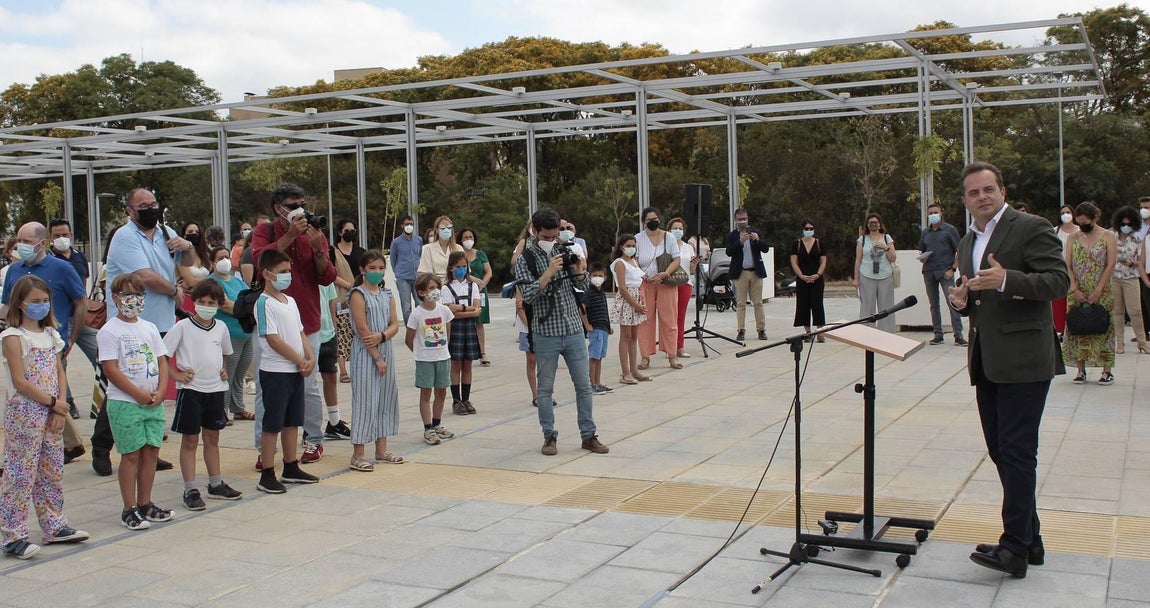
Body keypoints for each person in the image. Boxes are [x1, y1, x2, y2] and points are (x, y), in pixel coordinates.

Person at [948, 161, 1069, 578]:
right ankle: (1029, 541)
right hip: (987, 360)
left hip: (1025, 360)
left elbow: (1057, 282)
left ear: (1001, 190)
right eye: (973, 193)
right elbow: (972, 295)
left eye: (988, 189)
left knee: (1018, 453)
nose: (982, 197)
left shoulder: (1031, 227)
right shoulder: (967, 241)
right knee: (1002, 451)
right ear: (964, 200)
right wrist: (960, 300)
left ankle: (1014, 547)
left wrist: (1005, 280)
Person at [97, 187, 193, 476]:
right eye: (143, 206)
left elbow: (187, 264)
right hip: (128, 325)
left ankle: (149, 446)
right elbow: (144, 276)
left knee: (153, 384)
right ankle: (102, 446)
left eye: (154, 203)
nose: (151, 209)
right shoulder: (124, 237)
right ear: (130, 211)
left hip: (159, 323)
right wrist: (174, 291)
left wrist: (186, 247)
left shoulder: (166, 231)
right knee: (123, 388)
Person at [1, 276, 89, 559]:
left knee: (51, 468)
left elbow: (59, 372)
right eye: (34, 301)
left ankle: (54, 524)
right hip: (25, 412)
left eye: (44, 301)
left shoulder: (51, 335)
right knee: (19, 474)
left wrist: (59, 404)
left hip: (52, 411)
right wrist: (52, 402)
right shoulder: (13, 337)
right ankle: (13, 534)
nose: (40, 306)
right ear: (21, 304)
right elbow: (20, 381)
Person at [250, 183, 336, 465]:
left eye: (303, 203)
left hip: (306, 319)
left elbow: (327, 277)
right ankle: (266, 448)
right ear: (278, 209)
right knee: (268, 386)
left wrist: (318, 250)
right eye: (292, 205)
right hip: (270, 318)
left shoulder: (314, 232)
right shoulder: (266, 231)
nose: (300, 210)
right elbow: (259, 259)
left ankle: (313, 439)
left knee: (307, 382)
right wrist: (289, 236)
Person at [514, 208, 608, 456]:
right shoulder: (527, 259)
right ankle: (549, 436)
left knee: (584, 385)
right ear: (535, 231)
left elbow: (583, 287)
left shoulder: (565, 251)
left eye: (555, 236)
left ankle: (588, 435)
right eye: (546, 236)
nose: (552, 240)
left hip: (573, 328)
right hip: (546, 331)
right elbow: (530, 296)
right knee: (545, 389)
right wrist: (548, 272)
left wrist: (579, 269)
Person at [2, 222, 88, 458]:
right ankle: (67, 442)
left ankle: (62, 441)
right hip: (21, 343)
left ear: (42, 243)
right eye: (18, 240)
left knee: (54, 387)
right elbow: (7, 306)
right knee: (31, 392)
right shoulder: (14, 270)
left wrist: (72, 338)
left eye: (27, 242)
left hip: (51, 341)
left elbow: (81, 302)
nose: (21, 246)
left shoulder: (62, 268)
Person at [98, 273, 174, 531]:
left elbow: (162, 360)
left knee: (151, 452)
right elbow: (110, 369)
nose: (135, 300)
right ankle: (129, 507)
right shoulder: (109, 331)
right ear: (116, 297)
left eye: (140, 295)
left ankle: (145, 502)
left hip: (152, 402)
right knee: (130, 455)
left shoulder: (149, 327)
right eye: (129, 295)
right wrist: (136, 393)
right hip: (125, 402)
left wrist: (161, 390)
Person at [163, 280, 242, 511]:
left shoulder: (221, 328)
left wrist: (224, 369)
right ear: (194, 301)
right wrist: (176, 376)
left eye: (211, 303)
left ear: (218, 305)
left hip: (215, 390)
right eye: (201, 302)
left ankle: (215, 483)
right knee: (190, 440)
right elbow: (163, 356)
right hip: (191, 391)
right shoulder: (182, 327)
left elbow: (224, 353)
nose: (206, 306)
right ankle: (190, 488)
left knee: (213, 439)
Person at [253, 249, 319, 493]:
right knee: (273, 422)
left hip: (295, 370)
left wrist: (309, 356)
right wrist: (298, 360)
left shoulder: (290, 301)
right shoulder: (264, 302)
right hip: (276, 371)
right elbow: (272, 338)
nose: (287, 276)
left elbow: (300, 331)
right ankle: (267, 473)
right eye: (282, 272)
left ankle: (290, 466)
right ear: (267, 274)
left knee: (293, 420)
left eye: (289, 271)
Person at [347, 251, 403, 470]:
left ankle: (381, 449)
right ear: (362, 270)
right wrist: (377, 356)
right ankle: (358, 453)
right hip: (366, 353)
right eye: (372, 268)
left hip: (385, 347)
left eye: (381, 268)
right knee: (365, 401)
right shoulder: (357, 295)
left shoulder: (387, 293)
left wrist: (383, 336)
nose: (377, 272)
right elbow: (362, 329)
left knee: (386, 399)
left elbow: (394, 323)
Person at [48, 218, 99, 415]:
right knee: (60, 360)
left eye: (65, 235)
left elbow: (82, 285)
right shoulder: (50, 259)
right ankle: (68, 402)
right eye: (57, 236)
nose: (61, 239)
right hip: (61, 317)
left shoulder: (79, 257)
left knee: (100, 354)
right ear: (50, 238)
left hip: (81, 316)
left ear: (71, 235)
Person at [1062, 202, 1117, 385]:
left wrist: (1099, 289)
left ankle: (1106, 370)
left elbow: (1110, 264)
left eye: (1086, 222)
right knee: (1078, 327)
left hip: (1101, 289)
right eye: (1080, 223)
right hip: (1078, 289)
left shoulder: (1108, 236)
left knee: (1104, 328)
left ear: (1095, 218)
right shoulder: (1073, 237)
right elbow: (1067, 265)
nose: (1083, 226)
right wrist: (1074, 289)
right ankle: (1080, 369)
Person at [405, 273, 455, 446]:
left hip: (443, 357)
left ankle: (437, 423)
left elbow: (447, 331)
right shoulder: (416, 314)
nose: (435, 292)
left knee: (442, 391)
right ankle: (428, 429)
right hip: (425, 360)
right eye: (431, 289)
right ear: (421, 292)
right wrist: (419, 353)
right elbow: (409, 338)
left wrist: (443, 348)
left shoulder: (444, 310)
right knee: (426, 393)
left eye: (437, 288)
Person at [207, 247, 255, 422]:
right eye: (220, 258)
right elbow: (226, 305)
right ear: (213, 262)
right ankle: (221, 410)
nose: (225, 260)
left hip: (246, 333)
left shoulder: (237, 281)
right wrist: (245, 310)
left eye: (227, 256)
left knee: (240, 374)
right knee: (227, 373)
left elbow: (249, 298)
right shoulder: (212, 283)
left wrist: (246, 309)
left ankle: (238, 407)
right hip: (229, 334)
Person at [635, 207, 683, 370]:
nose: (652, 222)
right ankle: (645, 356)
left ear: (660, 219)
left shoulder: (668, 237)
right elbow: (633, 261)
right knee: (645, 320)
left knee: (669, 319)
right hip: (646, 283)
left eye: (655, 219)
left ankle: (672, 355)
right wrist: (643, 276)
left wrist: (664, 274)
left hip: (666, 283)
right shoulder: (638, 239)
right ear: (643, 222)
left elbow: (676, 259)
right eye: (649, 220)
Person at [918, 204, 966, 346]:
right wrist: (923, 258)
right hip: (929, 271)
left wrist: (952, 269)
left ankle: (958, 335)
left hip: (946, 272)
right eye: (930, 213)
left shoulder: (950, 230)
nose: (933, 215)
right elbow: (922, 251)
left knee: (953, 303)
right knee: (934, 305)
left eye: (935, 212)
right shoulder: (925, 232)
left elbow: (960, 251)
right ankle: (938, 334)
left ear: (941, 213)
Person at [443, 252, 482, 415]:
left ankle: (466, 398)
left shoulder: (472, 286)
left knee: (467, 364)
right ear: (451, 267)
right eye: (458, 266)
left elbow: (478, 309)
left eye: (464, 266)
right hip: (455, 328)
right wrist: (470, 310)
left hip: (469, 328)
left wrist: (461, 308)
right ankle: (456, 400)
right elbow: (450, 312)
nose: (461, 269)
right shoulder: (446, 287)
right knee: (455, 365)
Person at [724, 208, 770, 342]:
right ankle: (741, 330)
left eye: (744, 218)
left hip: (755, 271)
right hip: (741, 272)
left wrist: (757, 240)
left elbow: (765, 248)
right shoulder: (732, 236)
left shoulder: (756, 232)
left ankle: (761, 330)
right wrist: (740, 242)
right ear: (735, 221)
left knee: (758, 303)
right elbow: (729, 252)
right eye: (740, 219)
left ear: (748, 219)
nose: (742, 221)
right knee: (741, 303)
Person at [331, 218, 366, 385]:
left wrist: (357, 288)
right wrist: (349, 286)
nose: (350, 232)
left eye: (353, 229)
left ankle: (358, 367)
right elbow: (331, 274)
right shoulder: (333, 252)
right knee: (342, 332)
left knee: (358, 331)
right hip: (340, 295)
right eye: (346, 230)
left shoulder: (361, 252)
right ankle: (343, 370)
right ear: (340, 232)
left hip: (359, 295)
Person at [610, 235, 648, 386]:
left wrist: (641, 301)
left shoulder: (634, 261)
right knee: (625, 337)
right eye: (629, 245)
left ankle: (634, 370)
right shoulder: (619, 263)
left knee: (634, 336)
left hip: (637, 297)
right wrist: (636, 305)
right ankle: (625, 372)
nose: (632, 248)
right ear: (621, 247)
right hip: (627, 301)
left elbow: (640, 281)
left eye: (634, 245)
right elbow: (623, 288)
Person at [853, 212, 897, 333]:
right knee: (867, 305)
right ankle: (867, 331)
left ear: (879, 224)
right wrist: (856, 279)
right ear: (867, 225)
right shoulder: (862, 240)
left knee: (886, 305)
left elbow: (893, 258)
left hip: (885, 274)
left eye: (875, 222)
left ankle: (887, 331)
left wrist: (885, 247)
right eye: (871, 222)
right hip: (867, 274)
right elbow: (858, 260)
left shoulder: (887, 238)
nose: (873, 225)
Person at [1111, 206, 1146, 354]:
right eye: (1123, 224)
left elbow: (1141, 261)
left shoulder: (1137, 239)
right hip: (1113, 277)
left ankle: (1142, 342)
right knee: (1117, 311)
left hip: (1130, 277)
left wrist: (1132, 263)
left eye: (1129, 224)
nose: (1126, 227)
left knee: (1135, 311)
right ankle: (1120, 342)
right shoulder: (1111, 237)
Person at [460, 228, 493, 366]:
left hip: (480, 290)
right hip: (465, 289)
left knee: (479, 321)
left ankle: (482, 352)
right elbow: (460, 271)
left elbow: (488, 271)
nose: (468, 240)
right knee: (466, 320)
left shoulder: (480, 254)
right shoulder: (459, 254)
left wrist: (482, 283)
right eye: (465, 237)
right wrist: (473, 279)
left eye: (471, 237)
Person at [790, 220, 827, 341]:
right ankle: (808, 332)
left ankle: (820, 331)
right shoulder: (797, 244)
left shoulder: (819, 243)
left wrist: (818, 274)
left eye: (811, 228)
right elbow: (794, 261)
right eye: (807, 228)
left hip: (817, 279)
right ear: (802, 229)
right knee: (803, 305)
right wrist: (801, 276)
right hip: (803, 279)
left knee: (817, 304)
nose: (809, 230)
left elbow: (823, 261)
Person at [580, 262, 613, 395]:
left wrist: (609, 327)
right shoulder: (589, 292)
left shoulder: (601, 293)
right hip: (595, 329)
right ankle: (591, 384)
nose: (597, 278)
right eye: (595, 275)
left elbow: (604, 310)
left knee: (599, 357)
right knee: (593, 356)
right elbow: (581, 308)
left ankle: (597, 382)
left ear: (605, 277)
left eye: (600, 275)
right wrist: (587, 324)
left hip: (603, 328)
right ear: (589, 276)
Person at [666, 218, 695, 359]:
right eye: (674, 228)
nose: (677, 231)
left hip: (685, 283)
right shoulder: (665, 246)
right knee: (669, 316)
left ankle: (680, 346)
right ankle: (668, 347)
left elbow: (691, 269)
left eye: (680, 228)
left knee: (680, 316)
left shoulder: (688, 247)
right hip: (670, 283)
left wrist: (694, 263)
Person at [389, 215, 422, 323]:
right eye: (407, 224)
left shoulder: (419, 240)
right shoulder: (396, 242)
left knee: (420, 303)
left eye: (411, 224)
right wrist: (397, 272)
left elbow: (420, 255)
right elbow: (393, 259)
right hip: (403, 277)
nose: (409, 226)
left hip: (417, 277)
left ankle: (420, 327)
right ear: (402, 226)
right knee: (406, 306)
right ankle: (410, 329)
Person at [1052, 204, 1078, 336]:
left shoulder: (1079, 231)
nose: (1066, 215)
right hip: (1059, 270)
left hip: (1077, 271)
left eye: (1068, 212)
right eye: (1063, 212)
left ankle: (1074, 328)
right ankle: (1059, 330)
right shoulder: (1054, 231)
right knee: (1059, 302)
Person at [176, 221, 212, 291]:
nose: (194, 234)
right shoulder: (181, 254)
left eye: (197, 232)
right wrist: (210, 282)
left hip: (206, 295)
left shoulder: (205, 254)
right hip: (188, 296)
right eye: (190, 232)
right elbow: (191, 282)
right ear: (184, 235)